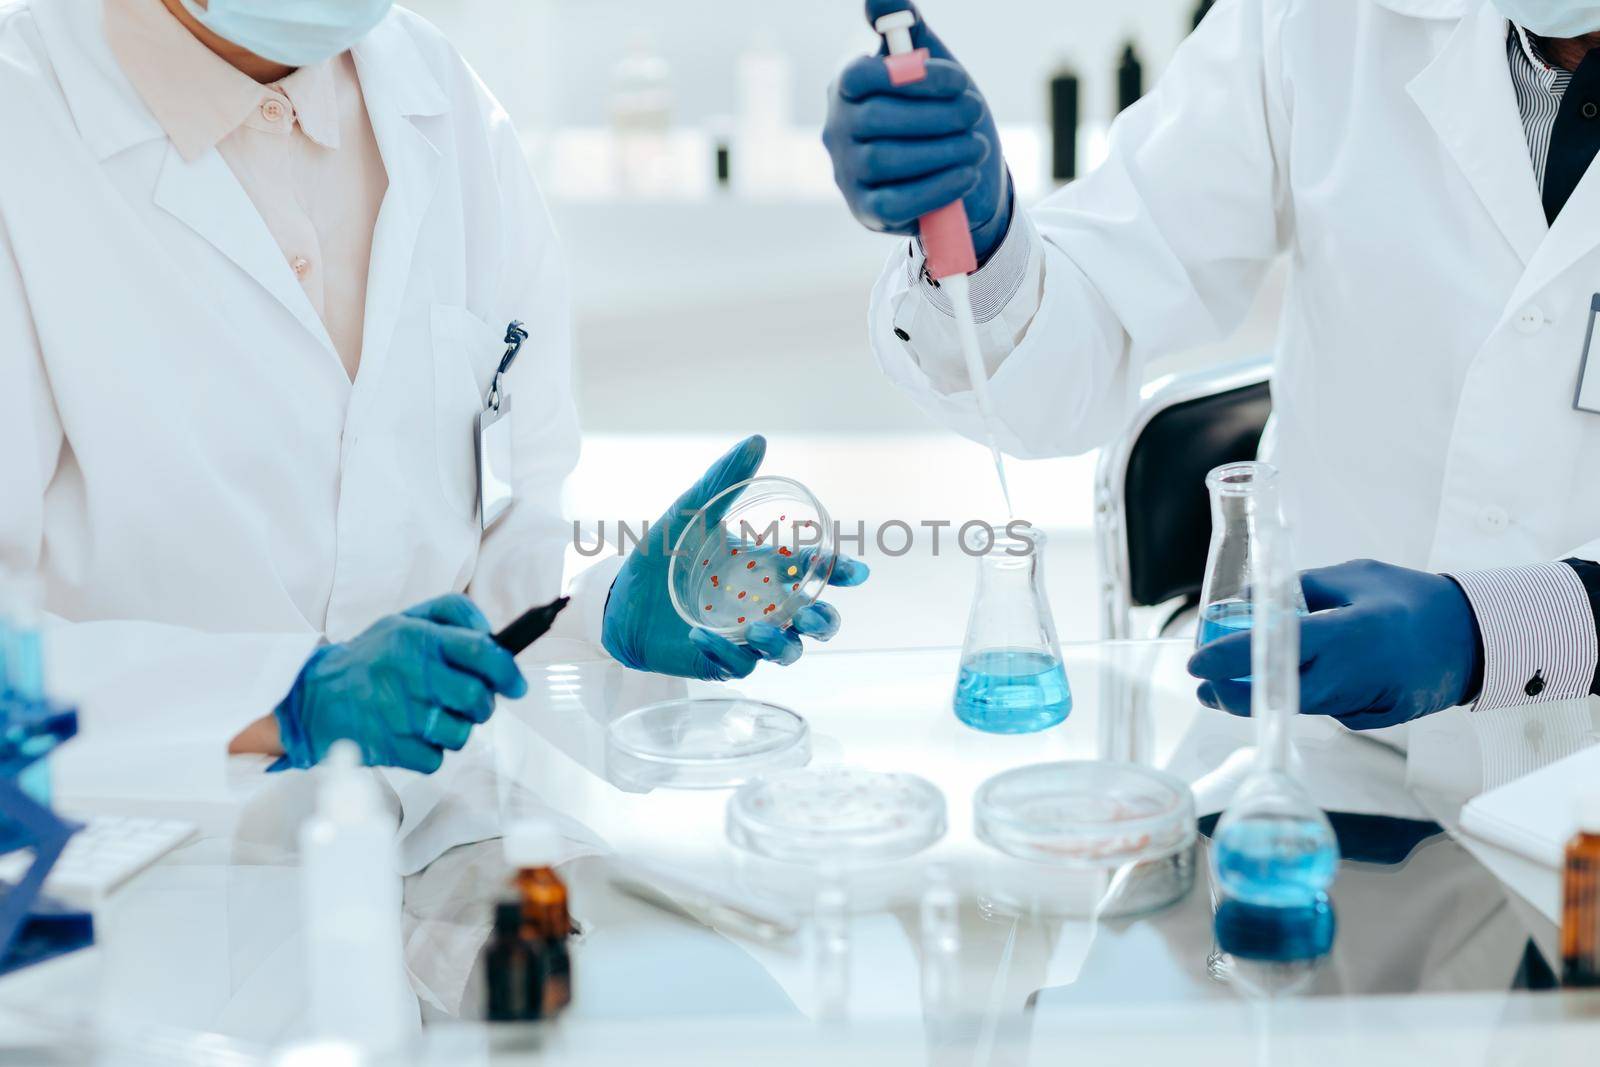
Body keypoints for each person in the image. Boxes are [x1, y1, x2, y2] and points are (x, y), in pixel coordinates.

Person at [0, 0, 865, 839]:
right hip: (145, 889)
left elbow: (492, 578)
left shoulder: (440, 99)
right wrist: (279, 699)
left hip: (445, 859)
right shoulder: (25, 120)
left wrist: (597, 622)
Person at [825, 0, 1600, 775]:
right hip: (1324, 747)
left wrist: (1497, 632)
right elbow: (1109, 294)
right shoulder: (1320, 18)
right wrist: (988, 245)